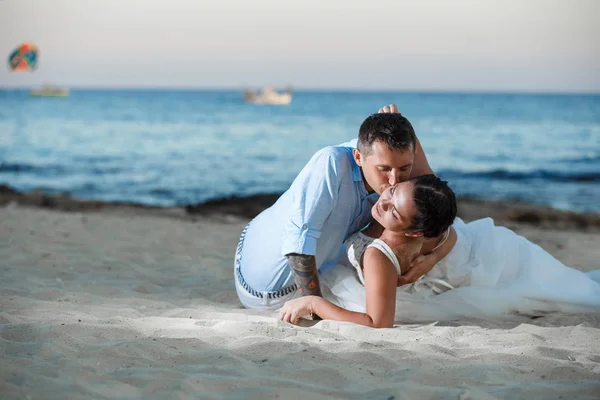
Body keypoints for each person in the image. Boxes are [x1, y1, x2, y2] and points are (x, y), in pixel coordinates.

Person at [278, 176, 600, 327]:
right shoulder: (422, 206)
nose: (382, 202)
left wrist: (314, 301)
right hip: (487, 243)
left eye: (392, 212)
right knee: (567, 281)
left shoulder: (379, 256)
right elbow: (445, 229)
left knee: (569, 290)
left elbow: (377, 323)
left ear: (415, 232)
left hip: (497, 259)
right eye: (391, 191)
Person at [234, 106, 446, 310]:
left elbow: (440, 208)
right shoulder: (331, 163)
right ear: (358, 157)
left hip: (274, 249)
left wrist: (432, 258)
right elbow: (299, 240)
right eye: (384, 169)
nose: (394, 180)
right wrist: (312, 305)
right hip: (263, 291)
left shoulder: (393, 181)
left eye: (404, 167)